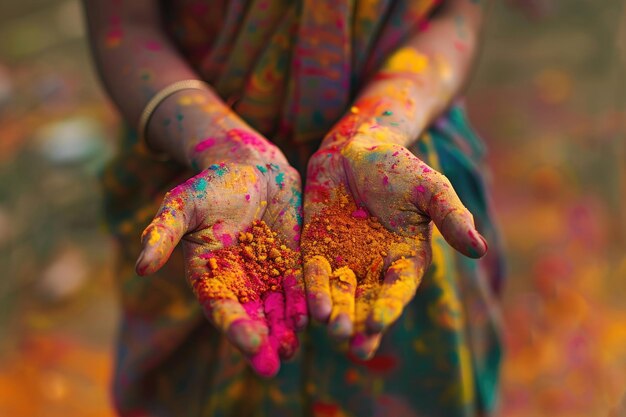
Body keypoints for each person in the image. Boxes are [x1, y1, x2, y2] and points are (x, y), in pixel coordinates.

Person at [84, 0, 504, 415]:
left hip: (399, 156)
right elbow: (125, 23)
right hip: (200, 168)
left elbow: (456, 13)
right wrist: (224, 145)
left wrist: (379, 129)